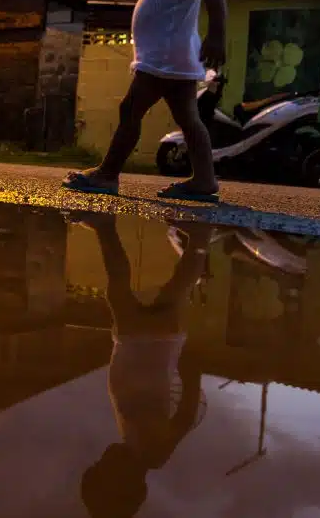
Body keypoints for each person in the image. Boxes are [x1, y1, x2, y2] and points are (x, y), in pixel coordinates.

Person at [62, 0, 228, 203]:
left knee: (130, 110)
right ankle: (205, 180)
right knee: (188, 119)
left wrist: (217, 36)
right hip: (171, 56)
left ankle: (108, 174)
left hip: (165, 58)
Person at [69, 212, 208, 518]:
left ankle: (199, 237)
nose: (102, 460)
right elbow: (184, 418)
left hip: (155, 346)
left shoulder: (139, 449)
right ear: (126, 485)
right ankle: (106, 228)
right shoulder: (152, 454)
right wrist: (192, 374)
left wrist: (188, 369)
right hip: (140, 347)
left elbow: (179, 416)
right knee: (119, 290)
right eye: (103, 470)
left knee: (174, 291)